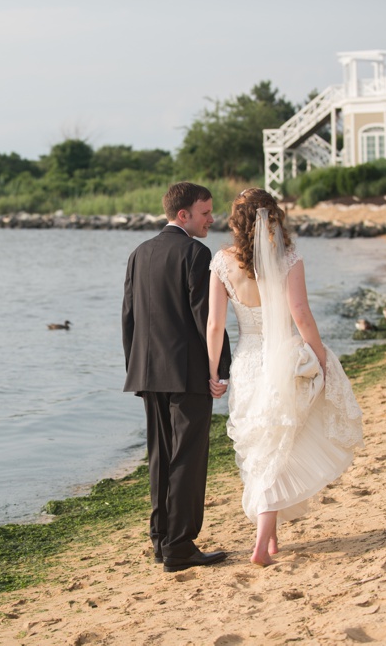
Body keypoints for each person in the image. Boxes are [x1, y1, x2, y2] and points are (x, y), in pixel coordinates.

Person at [206, 188, 364, 566]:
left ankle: (269, 536)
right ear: (273, 217)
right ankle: (264, 539)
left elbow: (214, 325)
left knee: (260, 445)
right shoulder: (289, 258)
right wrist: (321, 358)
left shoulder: (221, 263)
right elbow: (301, 314)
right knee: (281, 444)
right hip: (285, 358)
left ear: (235, 221)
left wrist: (213, 370)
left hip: (247, 362)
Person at [122, 182, 231, 573]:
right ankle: (180, 546)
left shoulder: (140, 253)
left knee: (160, 458)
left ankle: (160, 539)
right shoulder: (195, 254)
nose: (211, 219)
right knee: (187, 458)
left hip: (148, 372)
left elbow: (129, 318)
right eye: (205, 213)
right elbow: (208, 320)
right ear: (182, 214)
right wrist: (219, 370)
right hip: (186, 375)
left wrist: (135, 368)